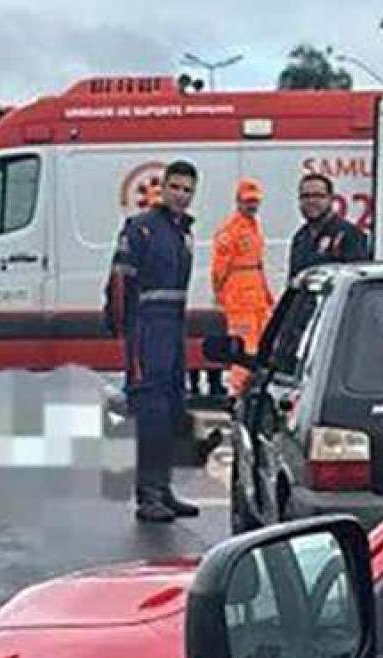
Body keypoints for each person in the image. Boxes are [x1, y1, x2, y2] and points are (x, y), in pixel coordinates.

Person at [105, 160, 201, 523]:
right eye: (175, 187)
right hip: (147, 326)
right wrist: (126, 328)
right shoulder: (141, 229)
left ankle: (163, 488)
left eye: (187, 190)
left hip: (175, 324)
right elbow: (119, 281)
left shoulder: (184, 232)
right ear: (162, 189)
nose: (181, 195)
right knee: (149, 409)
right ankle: (147, 494)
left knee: (172, 407)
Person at [211, 177, 274, 394]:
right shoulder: (229, 230)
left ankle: (254, 388)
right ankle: (237, 391)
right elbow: (219, 267)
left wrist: (266, 293)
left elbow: (258, 263)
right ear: (238, 202)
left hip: (256, 296)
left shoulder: (254, 226)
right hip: (239, 298)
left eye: (255, 201)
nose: (252, 205)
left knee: (261, 344)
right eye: (248, 201)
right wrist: (220, 293)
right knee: (242, 346)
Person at [288, 172, 371, 284]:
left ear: (331, 199)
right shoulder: (300, 237)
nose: (311, 201)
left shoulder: (349, 234)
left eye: (318, 196)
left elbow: (357, 281)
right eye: (305, 196)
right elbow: (293, 282)